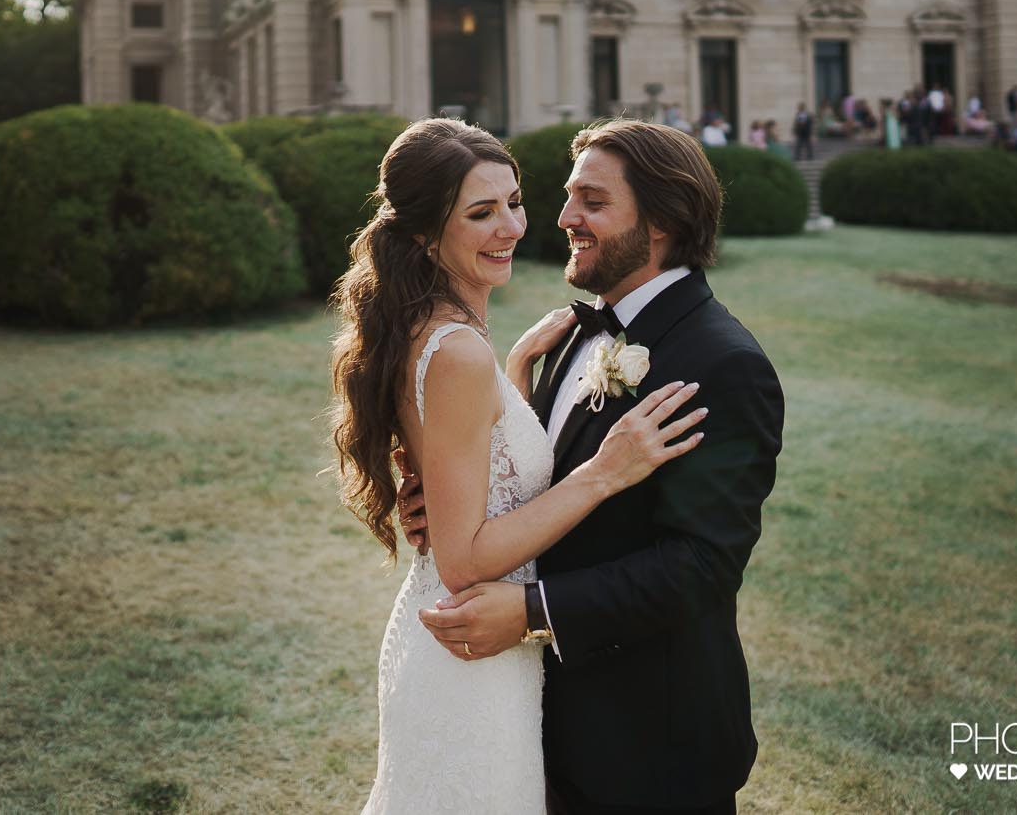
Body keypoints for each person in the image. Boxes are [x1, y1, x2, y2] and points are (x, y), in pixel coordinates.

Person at [402, 120, 785, 813]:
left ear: (663, 220)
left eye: (592, 201)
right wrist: (458, 495)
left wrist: (530, 615)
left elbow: (700, 566)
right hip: (545, 724)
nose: (561, 218)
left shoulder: (725, 364)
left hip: (649, 746)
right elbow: (542, 477)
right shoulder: (572, 333)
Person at [334, 119, 707, 814]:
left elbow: (479, 459)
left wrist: (512, 377)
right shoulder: (456, 351)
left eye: (512, 200)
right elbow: (463, 557)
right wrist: (602, 470)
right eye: (481, 212)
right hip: (471, 662)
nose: (510, 225)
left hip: (468, 653)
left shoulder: (446, 331)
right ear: (423, 234)